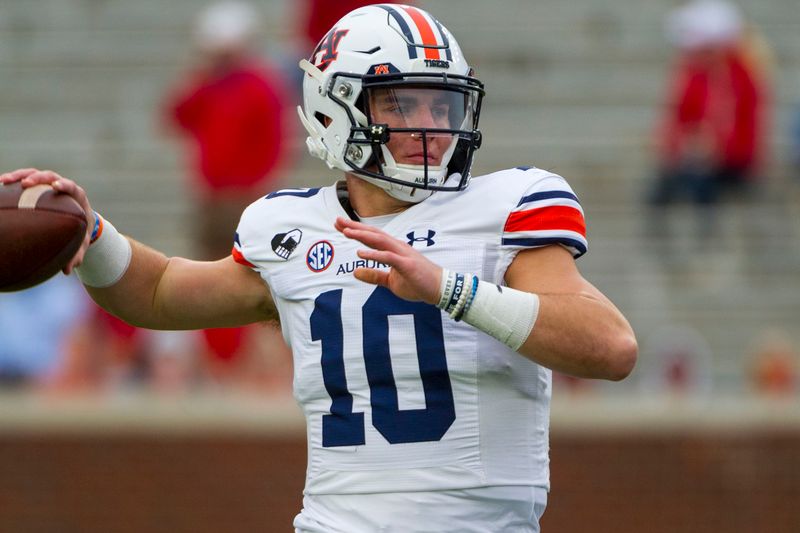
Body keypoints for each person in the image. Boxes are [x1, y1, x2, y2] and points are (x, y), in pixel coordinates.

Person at [2, 5, 637, 531]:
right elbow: (163, 292)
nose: (432, 129)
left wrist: (448, 290)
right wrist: (92, 231)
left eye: (442, 108)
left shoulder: (508, 205)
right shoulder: (290, 227)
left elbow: (610, 347)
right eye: (404, 105)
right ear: (336, 111)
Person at [164, 1, 293, 378]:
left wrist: (259, 189)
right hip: (212, 200)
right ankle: (222, 366)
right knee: (208, 284)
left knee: (252, 285)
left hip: (245, 198)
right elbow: (177, 114)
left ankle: (258, 370)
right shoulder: (211, 85)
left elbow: (272, 143)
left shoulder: (259, 85)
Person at [648, 0, 768, 240]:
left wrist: (713, 149)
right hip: (698, 159)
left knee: (701, 183)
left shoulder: (741, 77)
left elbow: (743, 133)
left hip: (731, 162)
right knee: (660, 187)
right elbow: (679, 118)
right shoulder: (695, 76)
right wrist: (679, 146)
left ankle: (707, 245)